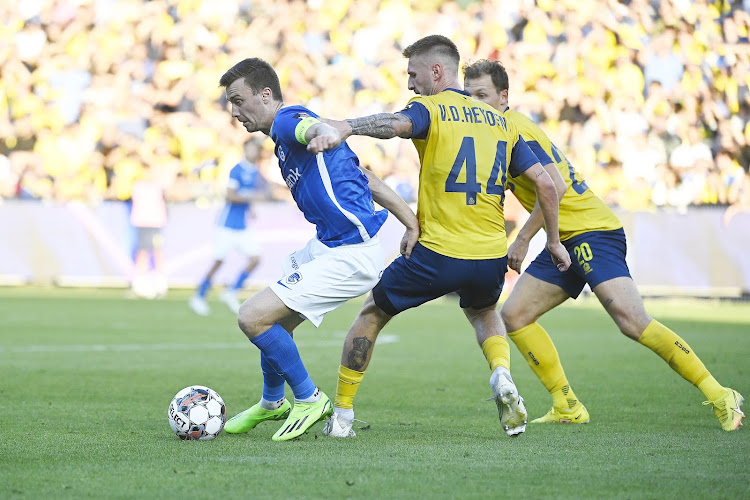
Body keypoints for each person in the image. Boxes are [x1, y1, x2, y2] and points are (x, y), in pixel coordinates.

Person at [308, 35, 571, 438]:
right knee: (485, 313)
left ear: (436, 71)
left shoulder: (431, 108)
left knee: (371, 315)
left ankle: (341, 416)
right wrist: (550, 241)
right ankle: (502, 375)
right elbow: (549, 186)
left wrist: (346, 127)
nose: (410, 84)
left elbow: (394, 124)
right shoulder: (502, 122)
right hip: (488, 257)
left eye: (413, 74)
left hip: (437, 251)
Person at [462, 59, 745, 431]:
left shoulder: (516, 128)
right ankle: (567, 404)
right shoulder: (490, 134)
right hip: (562, 236)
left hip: (593, 230)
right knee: (514, 316)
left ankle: (722, 393)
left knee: (632, 322)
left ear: (503, 96)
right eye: (470, 97)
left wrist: (523, 238)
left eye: (482, 95)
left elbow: (556, 186)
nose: (476, 104)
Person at [217, 57, 420, 441]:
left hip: (350, 253)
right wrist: (409, 221)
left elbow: (308, 125)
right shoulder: (280, 142)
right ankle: (272, 402)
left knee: (251, 317)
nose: (235, 112)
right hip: (329, 245)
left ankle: (310, 398)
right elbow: (366, 177)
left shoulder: (285, 120)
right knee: (272, 323)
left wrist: (322, 130)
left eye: (239, 100)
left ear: (265, 94)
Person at [189, 138, 267, 316]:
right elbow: (230, 196)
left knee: (255, 259)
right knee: (218, 261)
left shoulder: (255, 171)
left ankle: (231, 291)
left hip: (242, 225)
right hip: (226, 224)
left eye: (255, 149)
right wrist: (252, 198)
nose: (252, 152)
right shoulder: (237, 169)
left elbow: (245, 195)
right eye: (250, 149)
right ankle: (199, 296)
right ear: (245, 150)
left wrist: (251, 208)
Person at [129, 163, 168, 299]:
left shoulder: (158, 186)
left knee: (157, 251)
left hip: (156, 223)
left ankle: (160, 282)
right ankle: (140, 282)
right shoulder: (138, 186)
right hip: (143, 223)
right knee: (143, 251)